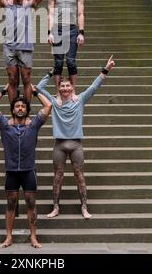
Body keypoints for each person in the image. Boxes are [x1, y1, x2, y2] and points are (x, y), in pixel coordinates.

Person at [36, 55, 115, 219]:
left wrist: (106, 69)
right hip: (59, 144)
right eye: (62, 86)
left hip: (76, 144)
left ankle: (84, 207)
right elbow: (38, 88)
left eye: (67, 86)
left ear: (72, 88)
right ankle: (56, 207)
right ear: (58, 88)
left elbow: (94, 87)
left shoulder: (79, 100)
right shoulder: (52, 101)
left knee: (79, 175)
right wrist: (52, 72)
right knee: (58, 176)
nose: (65, 88)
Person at [0, 84, 52, 248]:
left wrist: (36, 92)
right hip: (12, 172)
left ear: (27, 109)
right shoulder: (5, 125)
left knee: (31, 202)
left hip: (29, 171)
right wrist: (3, 91)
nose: (20, 108)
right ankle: (8, 237)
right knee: (11, 203)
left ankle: (33, 237)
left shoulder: (33, 125)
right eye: (17, 106)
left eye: (23, 106)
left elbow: (48, 105)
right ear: (13, 109)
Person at [0, 0, 49, 103]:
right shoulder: (6, 4)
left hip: (25, 47)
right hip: (9, 47)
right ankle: (14, 112)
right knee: (12, 80)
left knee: (26, 79)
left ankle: (25, 111)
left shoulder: (29, 4)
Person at [47, 0, 85, 91]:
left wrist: (81, 33)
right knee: (58, 63)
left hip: (72, 29)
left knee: (71, 62)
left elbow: (80, 14)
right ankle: (58, 93)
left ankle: (72, 91)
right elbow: (51, 14)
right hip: (58, 29)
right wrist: (49, 32)